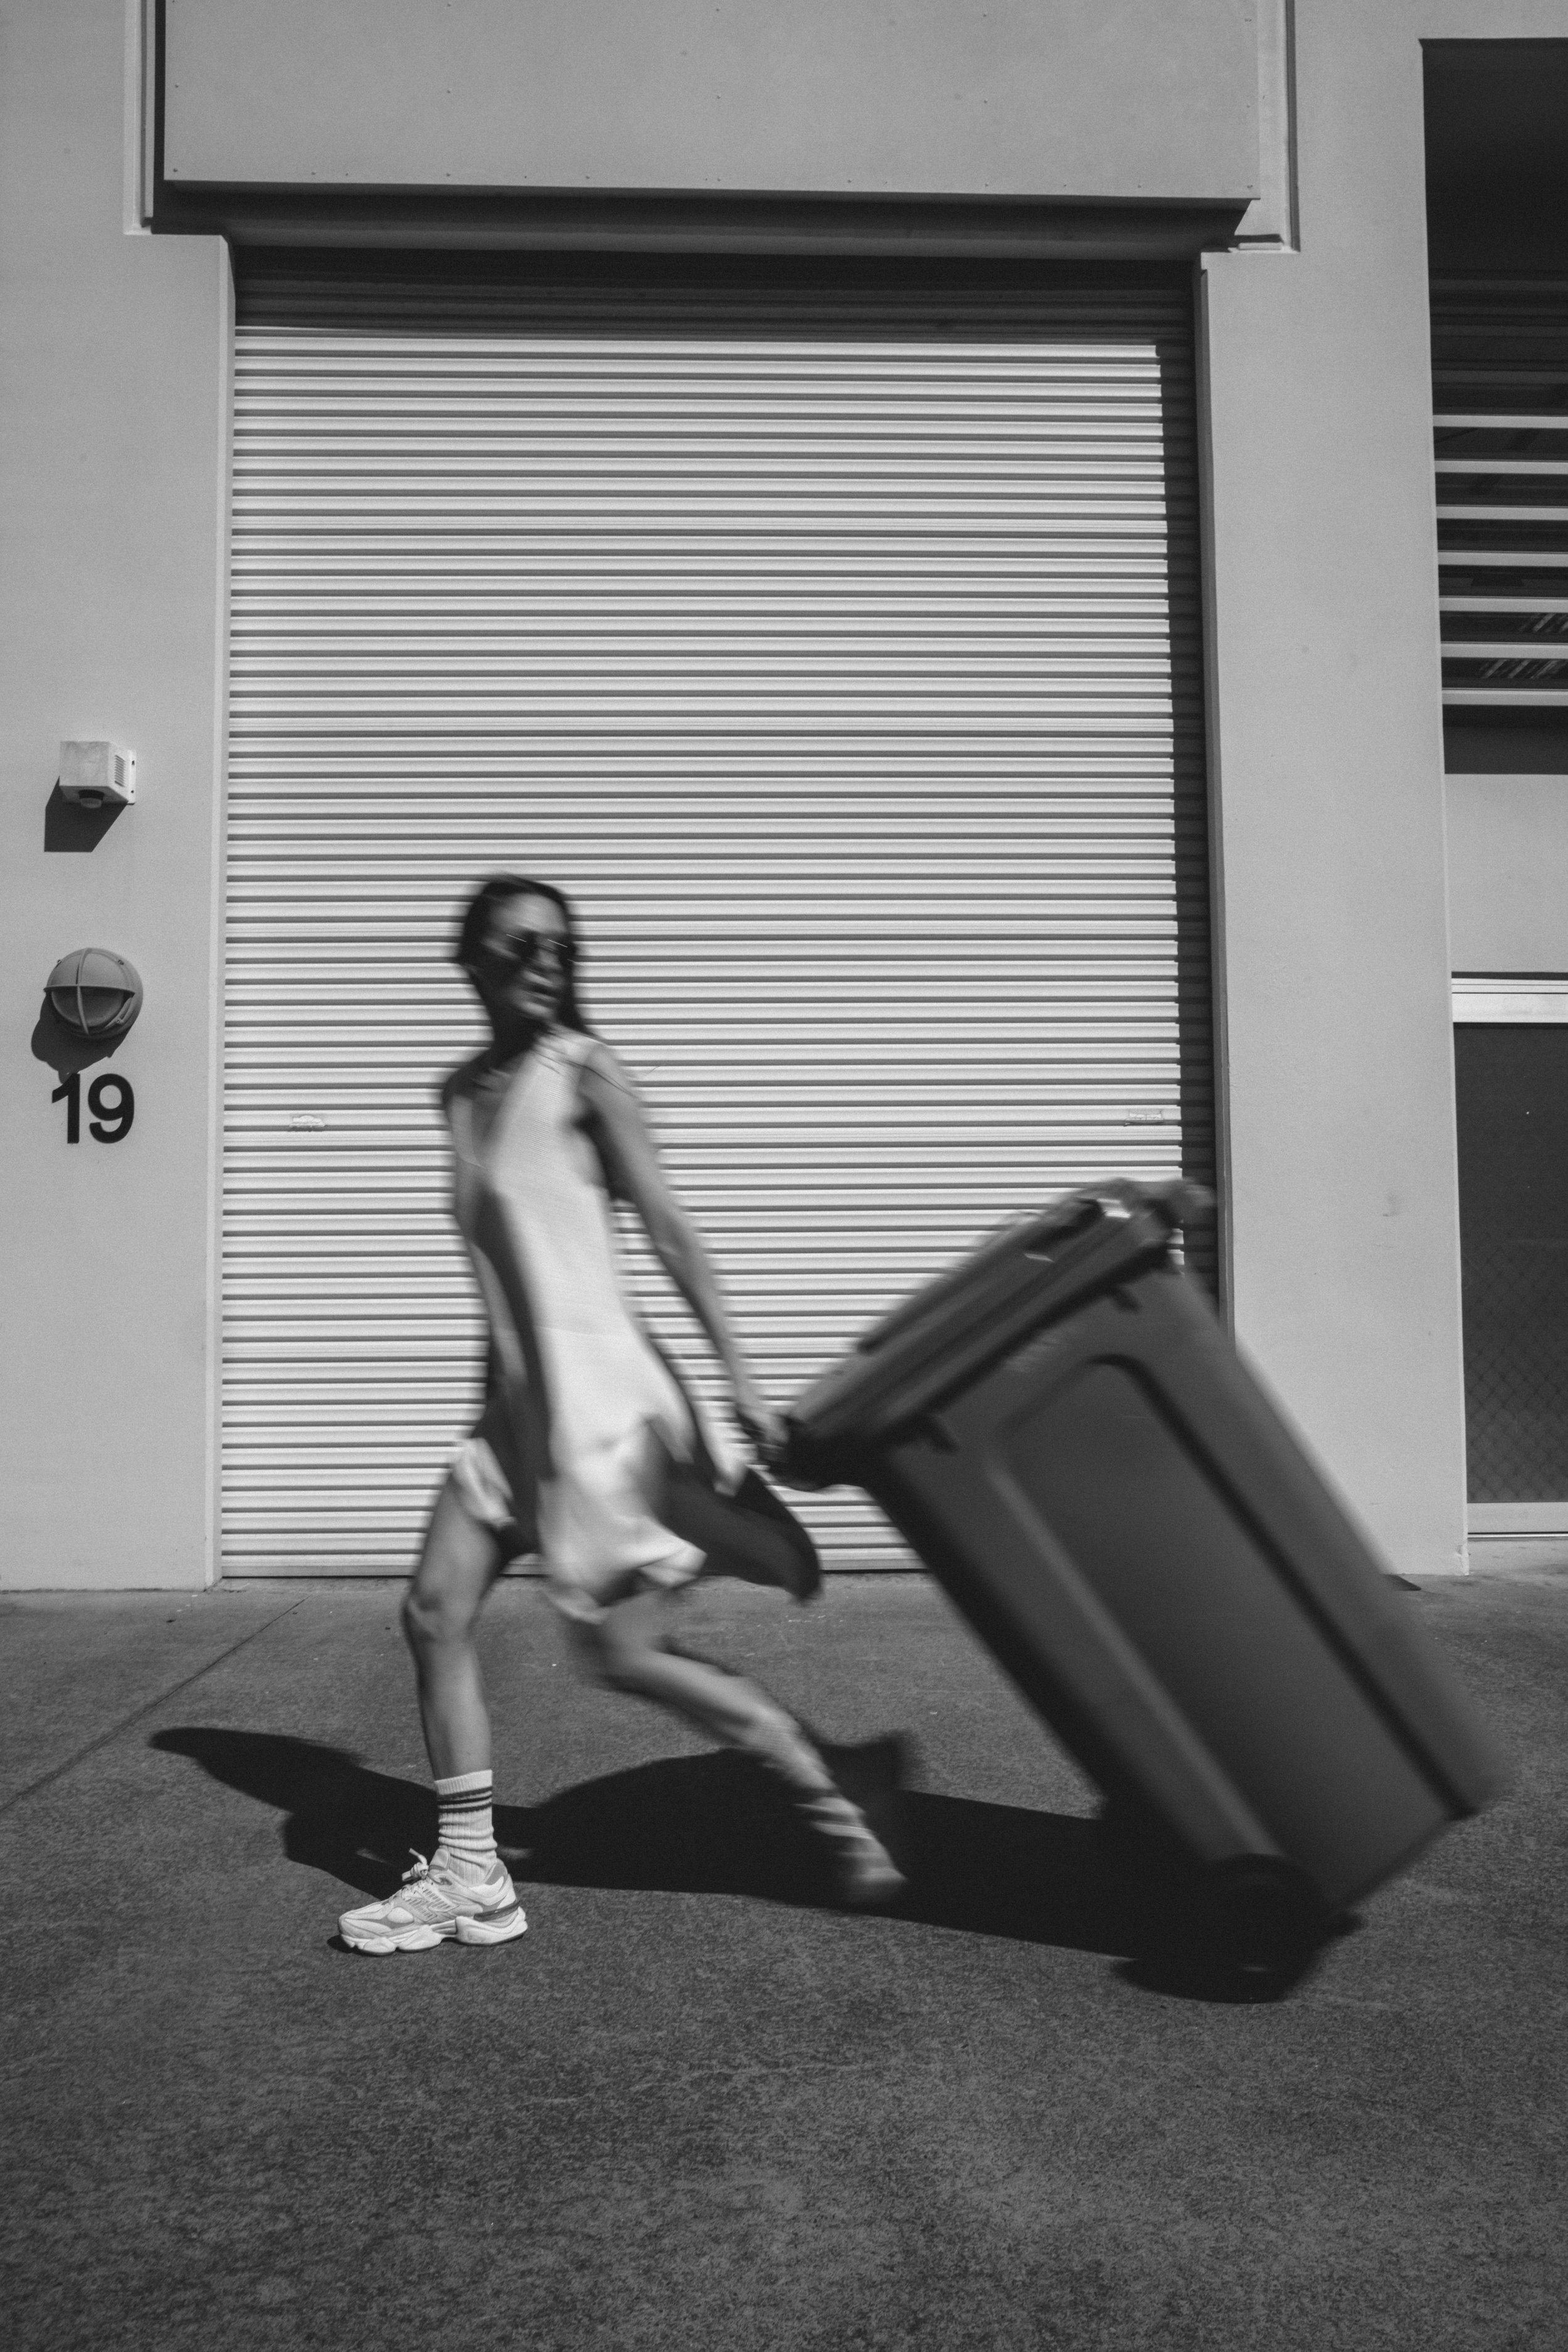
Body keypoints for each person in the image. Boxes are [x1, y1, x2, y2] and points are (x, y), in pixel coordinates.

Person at [338, 874, 904, 1955]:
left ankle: (837, 1783)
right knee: (432, 1610)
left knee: (621, 1653)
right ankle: (472, 1870)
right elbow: (501, 1273)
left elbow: (671, 1229)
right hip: (512, 1413)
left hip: (601, 1411)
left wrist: (738, 1376)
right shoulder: (457, 1093)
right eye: (516, 947)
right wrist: (487, 1415)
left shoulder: (587, 1074)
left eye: (559, 945)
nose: (543, 961)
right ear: (470, 960)